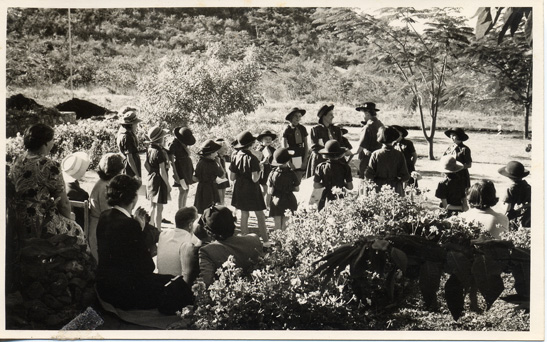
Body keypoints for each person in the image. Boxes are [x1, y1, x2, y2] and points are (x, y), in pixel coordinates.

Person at [96, 175, 193, 314]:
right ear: (133, 197)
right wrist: (140, 230)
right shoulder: (130, 225)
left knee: (168, 282)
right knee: (177, 285)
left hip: (104, 285)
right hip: (123, 293)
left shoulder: (104, 215)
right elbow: (147, 267)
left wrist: (138, 228)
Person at [9, 123, 86, 246]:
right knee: (78, 233)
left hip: (15, 218)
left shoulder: (17, 161)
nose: (53, 143)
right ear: (45, 143)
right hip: (38, 221)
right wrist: (70, 219)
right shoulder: (49, 165)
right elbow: (64, 203)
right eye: (52, 140)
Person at [198, 205, 263, 286]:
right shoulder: (254, 239)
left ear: (208, 232)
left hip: (226, 295)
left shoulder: (207, 251)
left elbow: (206, 282)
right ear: (233, 222)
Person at [229, 131, 269, 244]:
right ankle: (266, 241)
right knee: (260, 215)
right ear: (251, 144)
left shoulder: (236, 157)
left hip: (240, 187)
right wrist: (260, 169)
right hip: (252, 189)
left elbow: (232, 177)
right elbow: (255, 179)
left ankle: (245, 241)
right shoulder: (253, 159)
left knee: (244, 213)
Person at [88, 153, 124, 262]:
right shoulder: (105, 187)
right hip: (100, 231)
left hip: (101, 227)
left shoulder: (104, 183)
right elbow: (108, 215)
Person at [305, 105, 352, 179]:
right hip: (320, 160)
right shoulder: (316, 130)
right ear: (323, 116)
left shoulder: (336, 130)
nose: (333, 117)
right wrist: (326, 153)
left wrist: (344, 151)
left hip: (336, 160)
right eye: (330, 115)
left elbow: (341, 144)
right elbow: (314, 147)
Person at [157, 206, 202, 284]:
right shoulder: (192, 240)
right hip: (177, 285)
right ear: (191, 225)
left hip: (160, 281)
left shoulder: (163, 235)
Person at [365, 126, 410, 196]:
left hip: (379, 188)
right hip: (395, 188)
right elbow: (405, 176)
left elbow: (369, 175)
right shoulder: (399, 154)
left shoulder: (376, 154)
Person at [313, 140, 353, 211]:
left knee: (324, 213)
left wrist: (325, 184)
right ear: (340, 154)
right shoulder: (345, 167)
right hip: (340, 195)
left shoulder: (321, 167)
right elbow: (350, 187)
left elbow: (316, 185)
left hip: (327, 196)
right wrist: (342, 184)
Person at [267, 147, 300, 230]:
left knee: (277, 225)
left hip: (276, 200)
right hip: (289, 200)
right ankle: (285, 241)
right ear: (288, 160)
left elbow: (270, 191)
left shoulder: (272, 173)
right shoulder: (291, 173)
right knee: (286, 225)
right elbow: (297, 189)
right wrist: (288, 187)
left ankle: (277, 241)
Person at [145, 126, 172, 230]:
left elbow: (145, 164)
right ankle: (158, 230)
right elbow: (162, 171)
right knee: (160, 208)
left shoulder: (149, 149)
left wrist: (152, 172)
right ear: (160, 138)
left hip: (151, 178)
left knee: (152, 206)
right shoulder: (159, 152)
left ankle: (151, 228)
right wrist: (168, 185)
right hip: (160, 181)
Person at [168, 127, 196, 209]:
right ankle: (180, 209)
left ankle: (184, 207)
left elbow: (188, 154)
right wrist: (175, 173)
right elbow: (171, 159)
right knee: (182, 190)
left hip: (187, 166)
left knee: (187, 189)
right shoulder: (174, 144)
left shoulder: (184, 144)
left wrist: (184, 146)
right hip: (180, 168)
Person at [193, 139, 224, 214]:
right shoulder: (213, 164)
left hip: (201, 188)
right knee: (210, 209)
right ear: (210, 154)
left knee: (202, 209)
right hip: (211, 188)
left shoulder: (200, 163)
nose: (216, 154)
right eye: (215, 152)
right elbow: (222, 176)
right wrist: (219, 163)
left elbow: (195, 178)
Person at [62, 152, 91, 229]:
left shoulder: (61, 188)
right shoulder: (82, 194)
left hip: (62, 227)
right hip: (78, 228)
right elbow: (85, 218)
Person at [498, 161, 531, 228]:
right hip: (526, 215)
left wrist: (501, 204)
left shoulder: (510, 189)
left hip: (512, 216)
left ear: (509, 177)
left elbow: (507, 207)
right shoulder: (528, 187)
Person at [355, 102, 384, 179]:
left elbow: (359, 148)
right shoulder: (380, 124)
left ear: (367, 113)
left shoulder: (368, 127)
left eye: (362, 113)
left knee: (364, 184)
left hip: (368, 160)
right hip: (379, 159)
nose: (361, 116)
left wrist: (347, 154)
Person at [281, 107, 309, 180]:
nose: (298, 118)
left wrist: (305, 160)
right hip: (291, 154)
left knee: (299, 175)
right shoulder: (287, 130)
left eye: (299, 116)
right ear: (291, 117)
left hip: (301, 153)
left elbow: (306, 145)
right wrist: (289, 162)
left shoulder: (302, 128)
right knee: (292, 176)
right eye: (295, 116)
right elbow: (284, 147)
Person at [116, 106, 142, 178]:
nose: (137, 125)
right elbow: (130, 158)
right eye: (135, 123)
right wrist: (137, 175)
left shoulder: (127, 133)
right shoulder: (127, 137)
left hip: (131, 165)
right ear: (131, 125)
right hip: (130, 168)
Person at [256, 130, 277, 198]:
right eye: (266, 139)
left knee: (270, 189)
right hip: (263, 171)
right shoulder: (259, 149)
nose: (268, 140)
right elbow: (256, 161)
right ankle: (260, 203)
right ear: (262, 140)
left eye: (270, 139)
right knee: (264, 189)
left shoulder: (273, 149)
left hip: (270, 170)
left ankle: (267, 205)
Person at [214, 138, 231, 205]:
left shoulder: (223, 157)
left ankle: (223, 207)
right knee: (219, 197)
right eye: (224, 148)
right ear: (218, 150)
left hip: (223, 176)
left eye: (226, 148)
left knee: (223, 197)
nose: (226, 150)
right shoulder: (216, 158)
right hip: (219, 177)